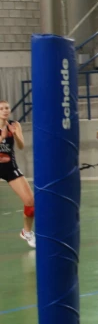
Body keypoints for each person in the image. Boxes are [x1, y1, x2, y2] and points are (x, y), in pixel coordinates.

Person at [0, 100, 34, 248]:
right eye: (1, 108)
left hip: (9, 167)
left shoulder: (15, 125)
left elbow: (21, 146)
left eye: (7, 108)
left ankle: (26, 232)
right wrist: (1, 136)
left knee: (30, 202)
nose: (5, 111)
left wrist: (15, 135)